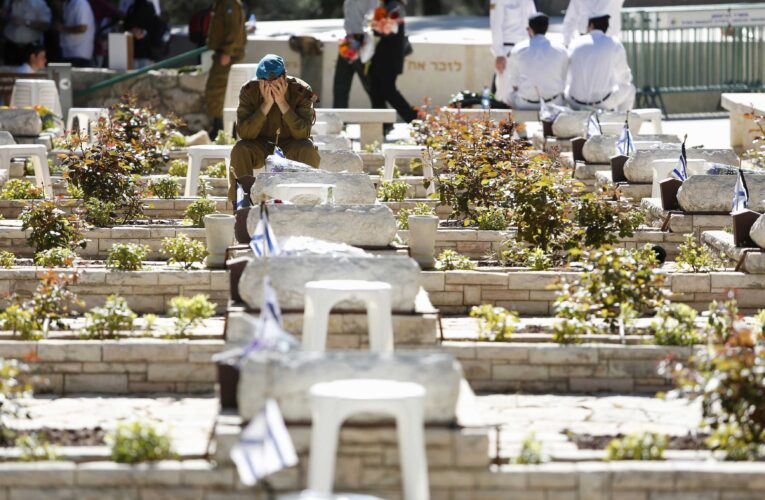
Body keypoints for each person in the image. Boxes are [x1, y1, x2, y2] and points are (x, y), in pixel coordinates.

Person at [228, 54, 321, 203]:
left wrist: (282, 103)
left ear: (284, 76)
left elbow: (303, 133)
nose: (269, 85)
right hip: (260, 145)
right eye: (264, 81)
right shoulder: (249, 91)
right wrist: (266, 104)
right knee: (240, 149)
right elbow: (244, 133)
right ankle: (242, 203)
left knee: (308, 149)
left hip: (291, 144)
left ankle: (307, 200)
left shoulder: (301, 91)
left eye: (274, 81)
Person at [565, 14, 635, 112]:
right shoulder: (614, 43)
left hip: (575, 103)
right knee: (630, 89)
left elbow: (567, 74)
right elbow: (625, 76)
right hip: (602, 103)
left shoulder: (574, 43)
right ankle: (621, 123)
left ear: (591, 25)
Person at [504, 13, 568, 110]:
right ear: (547, 28)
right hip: (554, 103)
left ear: (530, 29)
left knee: (508, 94)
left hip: (525, 104)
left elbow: (513, 81)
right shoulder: (561, 49)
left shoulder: (518, 49)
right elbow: (564, 77)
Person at [368, 0, 416, 124]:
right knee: (376, 90)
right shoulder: (389, 6)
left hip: (389, 59)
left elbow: (386, 29)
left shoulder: (395, 7)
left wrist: (376, 21)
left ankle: (414, 119)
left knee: (388, 91)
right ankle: (383, 124)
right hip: (382, 58)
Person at [204, 0, 247, 139]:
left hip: (228, 55)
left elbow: (234, 29)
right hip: (223, 53)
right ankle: (220, 126)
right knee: (220, 91)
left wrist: (227, 52)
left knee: (217, 90)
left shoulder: (229, 4)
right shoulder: (223, 3)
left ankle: (221, 128)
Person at [489, 0, 536, 101]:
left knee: (524, 93)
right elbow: (496, 26)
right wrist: (499, 54)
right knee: (505, 93)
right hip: (508, 51)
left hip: (527, 50)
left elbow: (534, 23)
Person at [333, 0, 376, 108]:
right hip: (349, 40)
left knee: (370, 84)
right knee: (340, 84)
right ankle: (339, 120)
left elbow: (372, 14)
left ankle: (385, 122)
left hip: (363, 40)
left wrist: (364, 40)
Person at [1, 0, 52, 66]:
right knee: (10, 73)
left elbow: (46, 26)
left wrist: (25, 22)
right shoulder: (8, 2)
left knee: (30, 74)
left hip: (31, 48)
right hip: (11, 47)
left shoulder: (39, 3)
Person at [123, 0, 161, 68]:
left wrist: (144, 32)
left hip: (146, 51)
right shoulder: (132, 6)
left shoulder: (149, 6)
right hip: (132, 51)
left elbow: (154, 25)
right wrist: (132, 31)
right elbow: (126, 25)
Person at [58, 0, 96, 66]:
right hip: (67, 53)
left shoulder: (80, 3)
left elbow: (82, 28)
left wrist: (62, 29)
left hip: (78, 55)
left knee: (73, 76)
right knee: (62, 76)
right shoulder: (67, 4)